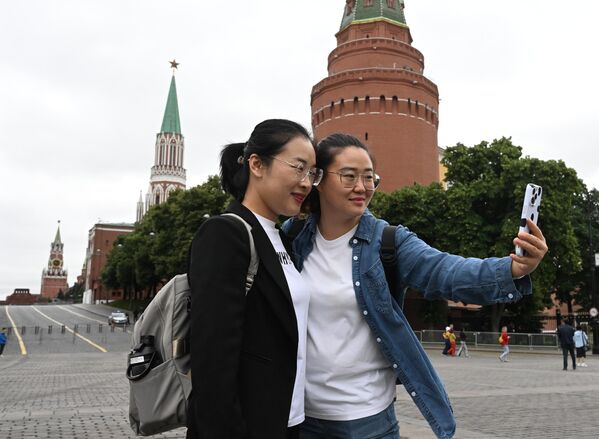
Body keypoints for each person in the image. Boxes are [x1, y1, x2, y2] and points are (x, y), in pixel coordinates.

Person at [282, 133, 548, 439]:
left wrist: (511, 269)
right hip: (303, 420)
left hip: (369, 421)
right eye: (348, 176)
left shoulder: (388, 242)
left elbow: (445, 271)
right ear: (318, 179)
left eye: (369, 177)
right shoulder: (292, 239)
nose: (361, 187)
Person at [186, 119, 322, 439]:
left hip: (288, 420)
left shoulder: (280, 237)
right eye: (298, 167)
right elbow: (212, 361)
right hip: (247, 426)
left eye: (312, 174)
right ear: (257, 165)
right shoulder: (225, 233)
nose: (306, 183)